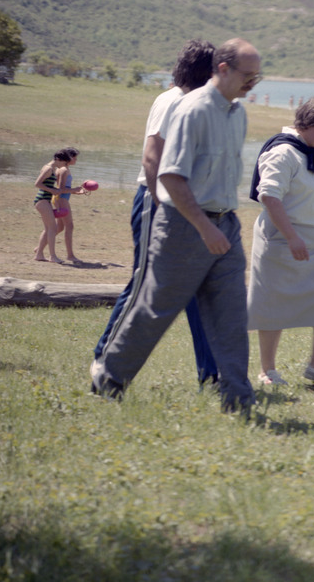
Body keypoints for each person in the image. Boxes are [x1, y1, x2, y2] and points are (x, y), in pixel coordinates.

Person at [91, 38, 262, 412]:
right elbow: (170, 175)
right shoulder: (192, 109)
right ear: (223, 69)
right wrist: (204, 227)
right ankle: (108, 379)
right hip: (184, 226)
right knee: (155, 310)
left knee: (232, 316)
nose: (253, 82)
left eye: (257, 76)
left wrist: (221, 226)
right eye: (248, 75)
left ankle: (238, 399)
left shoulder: (238, 114)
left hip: (226, 225)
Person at [92, 40, 218, 385]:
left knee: (198, 287)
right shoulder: (172, 100)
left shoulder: (193, 103)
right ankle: (104, 359)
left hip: (186, 205)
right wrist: (166, 209)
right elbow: (152, 159)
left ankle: (211, 374)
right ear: (206, 72)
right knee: (145, 282)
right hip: (158, 202)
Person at [248, 94, 314, 387]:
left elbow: (310, 190)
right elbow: (269, 196)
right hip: (281, 239)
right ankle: (267, 371)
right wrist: (292, 237)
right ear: (307, 122)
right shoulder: (283, 152)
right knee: (273, 305)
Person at [33, 149, 75, 263]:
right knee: (52, 228)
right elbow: (37, 184)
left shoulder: (51, 168)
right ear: (58, 159)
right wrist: (52, 190)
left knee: (49, 229)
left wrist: (55, 190)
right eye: (63, 162)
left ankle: (39, 254)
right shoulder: (48, 168)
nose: (63, 165)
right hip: (42, 200)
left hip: (45, 200)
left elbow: (46, 184)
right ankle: (52, 256)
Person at [54, 147, 88, 263]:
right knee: (69, 226)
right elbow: (60, 189)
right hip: (62, 200)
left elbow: (65, 189)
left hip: (61, 199)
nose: (76, 160)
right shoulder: (64, 170)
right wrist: (74, 189)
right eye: (75, 158)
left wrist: (77, 192)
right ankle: (70, 255)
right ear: (69, 158)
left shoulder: (64, 169)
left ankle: (39, 248)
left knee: (59, 227)